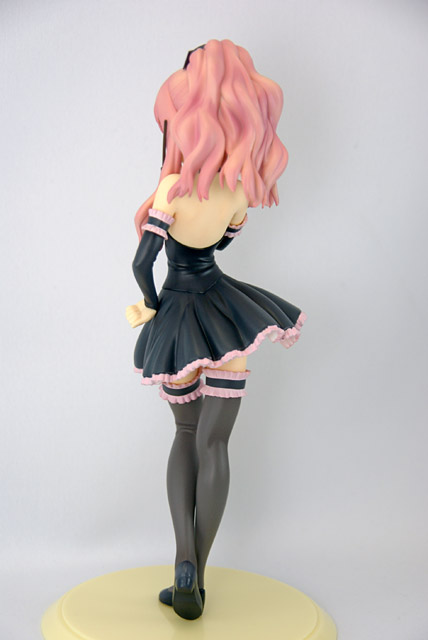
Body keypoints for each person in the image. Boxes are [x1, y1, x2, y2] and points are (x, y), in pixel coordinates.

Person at [125, 39, 306, 620]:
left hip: (178, 318)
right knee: (216, 443)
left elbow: (143, 263)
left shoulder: (169, 191)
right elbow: (223, 244)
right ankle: (198, 576)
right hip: (226, 317)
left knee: (185, 435)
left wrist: (150, 305)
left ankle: (181, 561)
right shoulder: (237, 191)